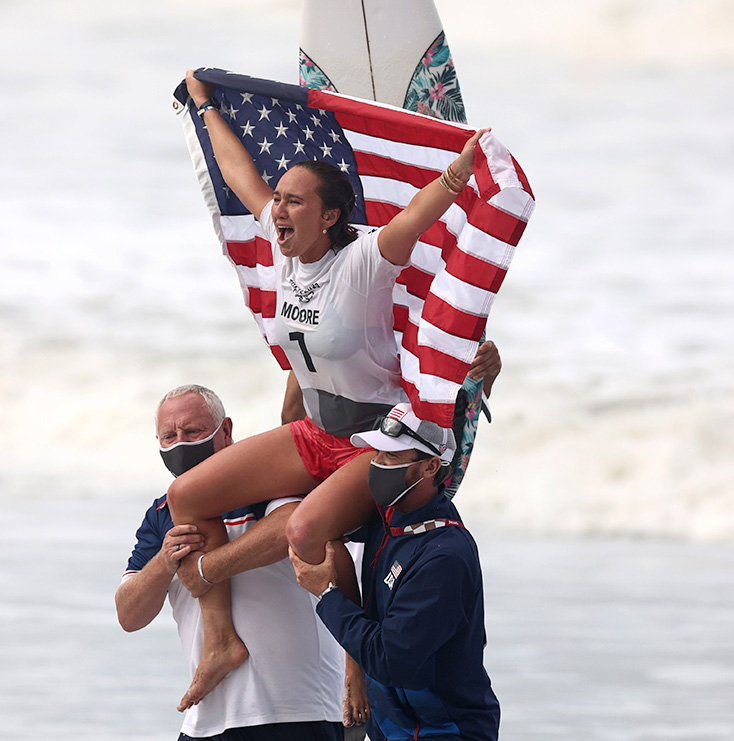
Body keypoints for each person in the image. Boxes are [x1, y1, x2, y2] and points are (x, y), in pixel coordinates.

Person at [165, 69, 492, 711]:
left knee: (308, 529)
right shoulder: (287, 254)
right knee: (187, 493)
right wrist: (205, 107)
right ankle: (220, 639)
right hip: (315, 433)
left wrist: (459, 174)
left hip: (375, 442)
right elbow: (240, 177)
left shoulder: (363, 262)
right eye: (280, 199)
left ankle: (355, 670)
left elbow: (418, 218)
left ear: (330, 215)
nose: (277, 209)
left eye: (293, 201)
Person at [115, 384, 345, 741]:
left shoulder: (266, 482)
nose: (181, 443)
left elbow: (293, 524)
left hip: (296, 710)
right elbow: (129, 615)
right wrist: (164, 562)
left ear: (226, 431)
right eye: (168, 436)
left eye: (192, 431)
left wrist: (207, 568)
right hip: (206, 718)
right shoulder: (160, 514)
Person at [289, 402, 501, 740]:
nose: (376, 465)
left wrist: (327, 596)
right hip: (393, 729)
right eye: (376, 453)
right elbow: (313, 522)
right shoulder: (389, 520)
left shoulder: (445, 558)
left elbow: (389, 661)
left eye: (391, 457)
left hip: (447, 731)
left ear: (430, 466)